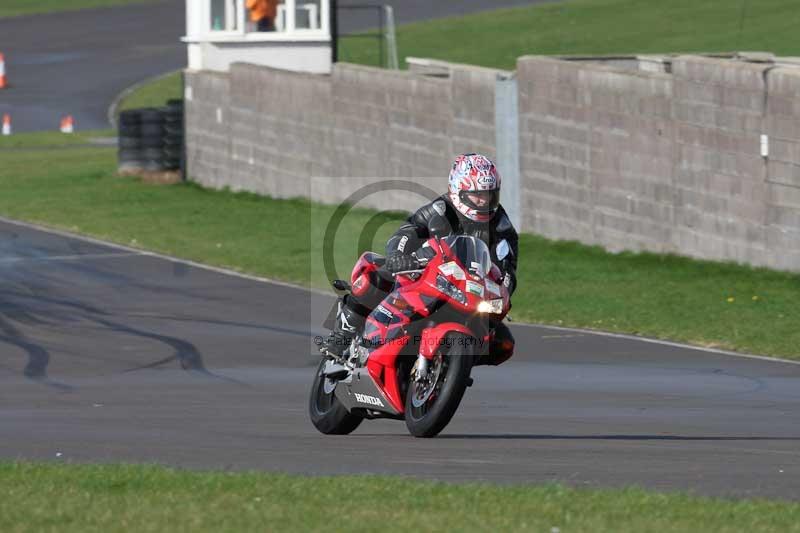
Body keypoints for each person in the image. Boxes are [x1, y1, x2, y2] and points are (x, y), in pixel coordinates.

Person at [321, 153, 519, 366]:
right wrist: (398, 256)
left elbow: (507, 272)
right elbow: (409, 230)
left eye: (490, 194)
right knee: (375, 276)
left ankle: (450, 362)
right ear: (459, 191)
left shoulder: (503, 228)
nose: (484, 201)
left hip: (469, 292)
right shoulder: (442, 209)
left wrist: (501, 293)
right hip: (426, 272)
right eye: (477, 194)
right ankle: (342, 335)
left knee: (503, 343)